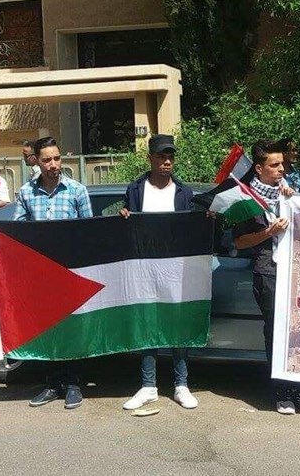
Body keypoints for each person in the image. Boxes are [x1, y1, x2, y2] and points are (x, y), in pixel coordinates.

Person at [4, 137, 93, 409]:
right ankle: (53, 384)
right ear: (36, 162)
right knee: (48, 329)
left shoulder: (77, 191)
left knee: (71, 329)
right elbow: (18, 232)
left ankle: (73, 384)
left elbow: (89, 231)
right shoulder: (26, 193)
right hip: (40, 275)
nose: (53, 164)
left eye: (57, 158)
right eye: (47, 160)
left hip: (70, 273)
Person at [233, 140, 300, 415]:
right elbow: (240, 242)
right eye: (275, 164)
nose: (282, 168)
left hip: (295, 273)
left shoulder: (289, 194)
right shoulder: (245, 200)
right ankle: (282, 392)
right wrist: (268, 232)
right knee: (276, 332)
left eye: (283, 163)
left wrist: (295, 201)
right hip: (267, 273)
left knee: (299, 332)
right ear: (259, 168)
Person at [118, 134, 199, 411]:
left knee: (177, 326)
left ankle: (181, 385)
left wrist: (206, 220)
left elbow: (192, 230)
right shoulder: (136, 189)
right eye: (162, 156)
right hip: (144, 269)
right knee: (147, 324)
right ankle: (148, 386)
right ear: (150, 158)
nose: (167, 161)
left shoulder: (184, 193)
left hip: (177, 269)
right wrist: (124, 217)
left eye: (171, 157)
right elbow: (127, 227)